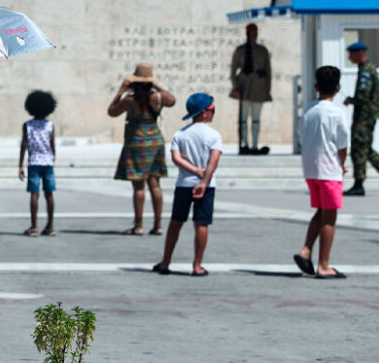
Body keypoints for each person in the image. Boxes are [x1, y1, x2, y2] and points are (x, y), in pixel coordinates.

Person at [153, 94, 221, 277]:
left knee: (176, 223)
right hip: (206, 186)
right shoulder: (213, 135)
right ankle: (197, 265)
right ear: (204, 113)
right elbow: (214, 162)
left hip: (184, 184)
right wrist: (204, 179)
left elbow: (176, 159)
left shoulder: (180, 134)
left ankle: (165, 262)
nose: (214, 113)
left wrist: (194, 171)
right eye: (212, 109)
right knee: (201, 224)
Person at [292, 66, 349, 279]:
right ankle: (324, 265)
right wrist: (341, 164)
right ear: (338, 88)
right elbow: (342, 145)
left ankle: (306, 250)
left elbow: (301, 136)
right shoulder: (337, 113)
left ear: (316, 87)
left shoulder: (308, 110)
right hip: (329, 169)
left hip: (310, 168)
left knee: (320, 211)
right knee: (330, 217)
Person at [109, 62, 176, 236]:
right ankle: (158, 225)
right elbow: (172, 100)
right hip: (154, 140)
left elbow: (111, 111)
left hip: (136, 141)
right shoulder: (157, 97)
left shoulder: (129, 100)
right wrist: (155, 85)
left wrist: (120, 91)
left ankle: (138, 225)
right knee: (155, 184)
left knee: (139, 186)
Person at [19, 90, 57, 237]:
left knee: (34, 195)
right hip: (48, 162)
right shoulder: (50, 125)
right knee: (49, 194)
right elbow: (53, 145)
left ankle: (34, 226)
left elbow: (24, 145)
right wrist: (53, 160)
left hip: (33, 162)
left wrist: (20, 165)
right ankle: (50, 226)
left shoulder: (27, 125)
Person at [230, 23, 272, 155]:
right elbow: (233, 70)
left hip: (259, 87)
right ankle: (245, 144)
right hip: (244, 87)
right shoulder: (240, 50)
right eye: (251, 32)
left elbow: (268, 71)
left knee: (255, 119)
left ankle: (254, 145)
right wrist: (235, 87)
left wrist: (267, 90)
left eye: (255, 32)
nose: (253, 35)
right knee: (243, 119)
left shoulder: (262, 50)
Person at [343, 41, 379, 196]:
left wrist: (350, 100)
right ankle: (358, 182)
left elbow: (364, 96)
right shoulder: (366, 69)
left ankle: (359, 184)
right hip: (366, 115)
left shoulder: (366, 71)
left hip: (364, 116)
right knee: (365, 149)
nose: (349, 57)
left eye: (351, 54)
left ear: (359, 53)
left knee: (359, 149)